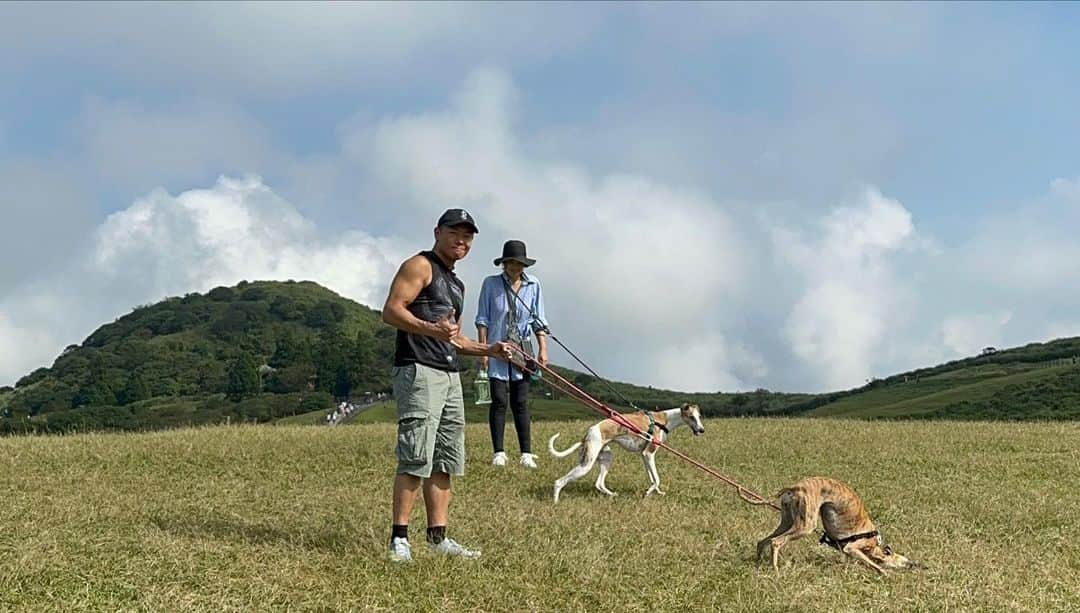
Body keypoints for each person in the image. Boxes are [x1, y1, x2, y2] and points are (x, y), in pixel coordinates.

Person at [381, 208, 513, 564]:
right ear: (437, 231)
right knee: (416, 454)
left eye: (468, 236)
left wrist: (491, 349)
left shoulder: (456, 284)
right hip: (419, 370)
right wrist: (430, 329)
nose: (461, 240)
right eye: (455, 232)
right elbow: (392, 311)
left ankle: (438, 538)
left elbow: (454, 338)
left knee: (445, 458)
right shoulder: (420, 266)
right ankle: (399, 540)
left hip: (450, 374)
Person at [475, 239, 549, 470]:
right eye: (511, 263)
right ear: (504, 263)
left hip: (522, 351)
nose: (515, 268)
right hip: (497, 349)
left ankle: (526, 453)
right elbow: (483, 319)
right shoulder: (491, 284)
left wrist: (543, 349)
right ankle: (499, 452)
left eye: (519, 264)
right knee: (498, 401)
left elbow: (539, 319)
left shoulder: (533, 284)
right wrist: (483, 350)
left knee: (521, 402)